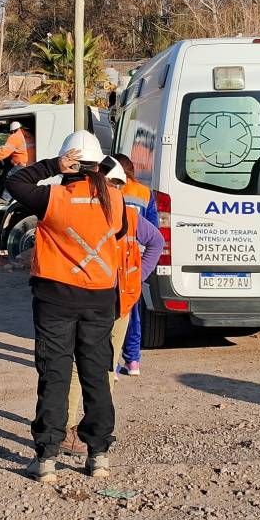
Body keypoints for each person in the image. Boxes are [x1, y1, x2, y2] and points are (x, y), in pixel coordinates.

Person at [6, 131, 125, 483]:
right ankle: (99, 455)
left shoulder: (53, 198)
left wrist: (51, 166)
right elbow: (118, 235)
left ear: (69, 164)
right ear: (98, 166)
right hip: (100, 299)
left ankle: (46, 459)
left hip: (55, 299)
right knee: (96, 376)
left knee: (55, 375)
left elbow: (15, 182)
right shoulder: (115, 200)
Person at [61, 159, 164, 456]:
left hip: (94, 296)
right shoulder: (129, 210)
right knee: (106, 363)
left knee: (79, 363)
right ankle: (93, 430)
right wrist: (137, 276)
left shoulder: (83, 210)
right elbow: (156, 240)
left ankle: (69, 429)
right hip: (117, 297)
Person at [111, 153, 158, 377]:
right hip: (136, 262)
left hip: (112, 260)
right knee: (133, 313)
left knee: (112, 316)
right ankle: (133, 361)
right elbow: (154, 230)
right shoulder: (144, 192)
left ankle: (111, 363)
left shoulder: (110, 191)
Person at [0, 120, 36, 203]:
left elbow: (4, 152)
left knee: (10, 177)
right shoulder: (29, 135)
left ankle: (5, 198)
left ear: (12, 130)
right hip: (31, 163)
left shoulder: (15, 137)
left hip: (21, 164)